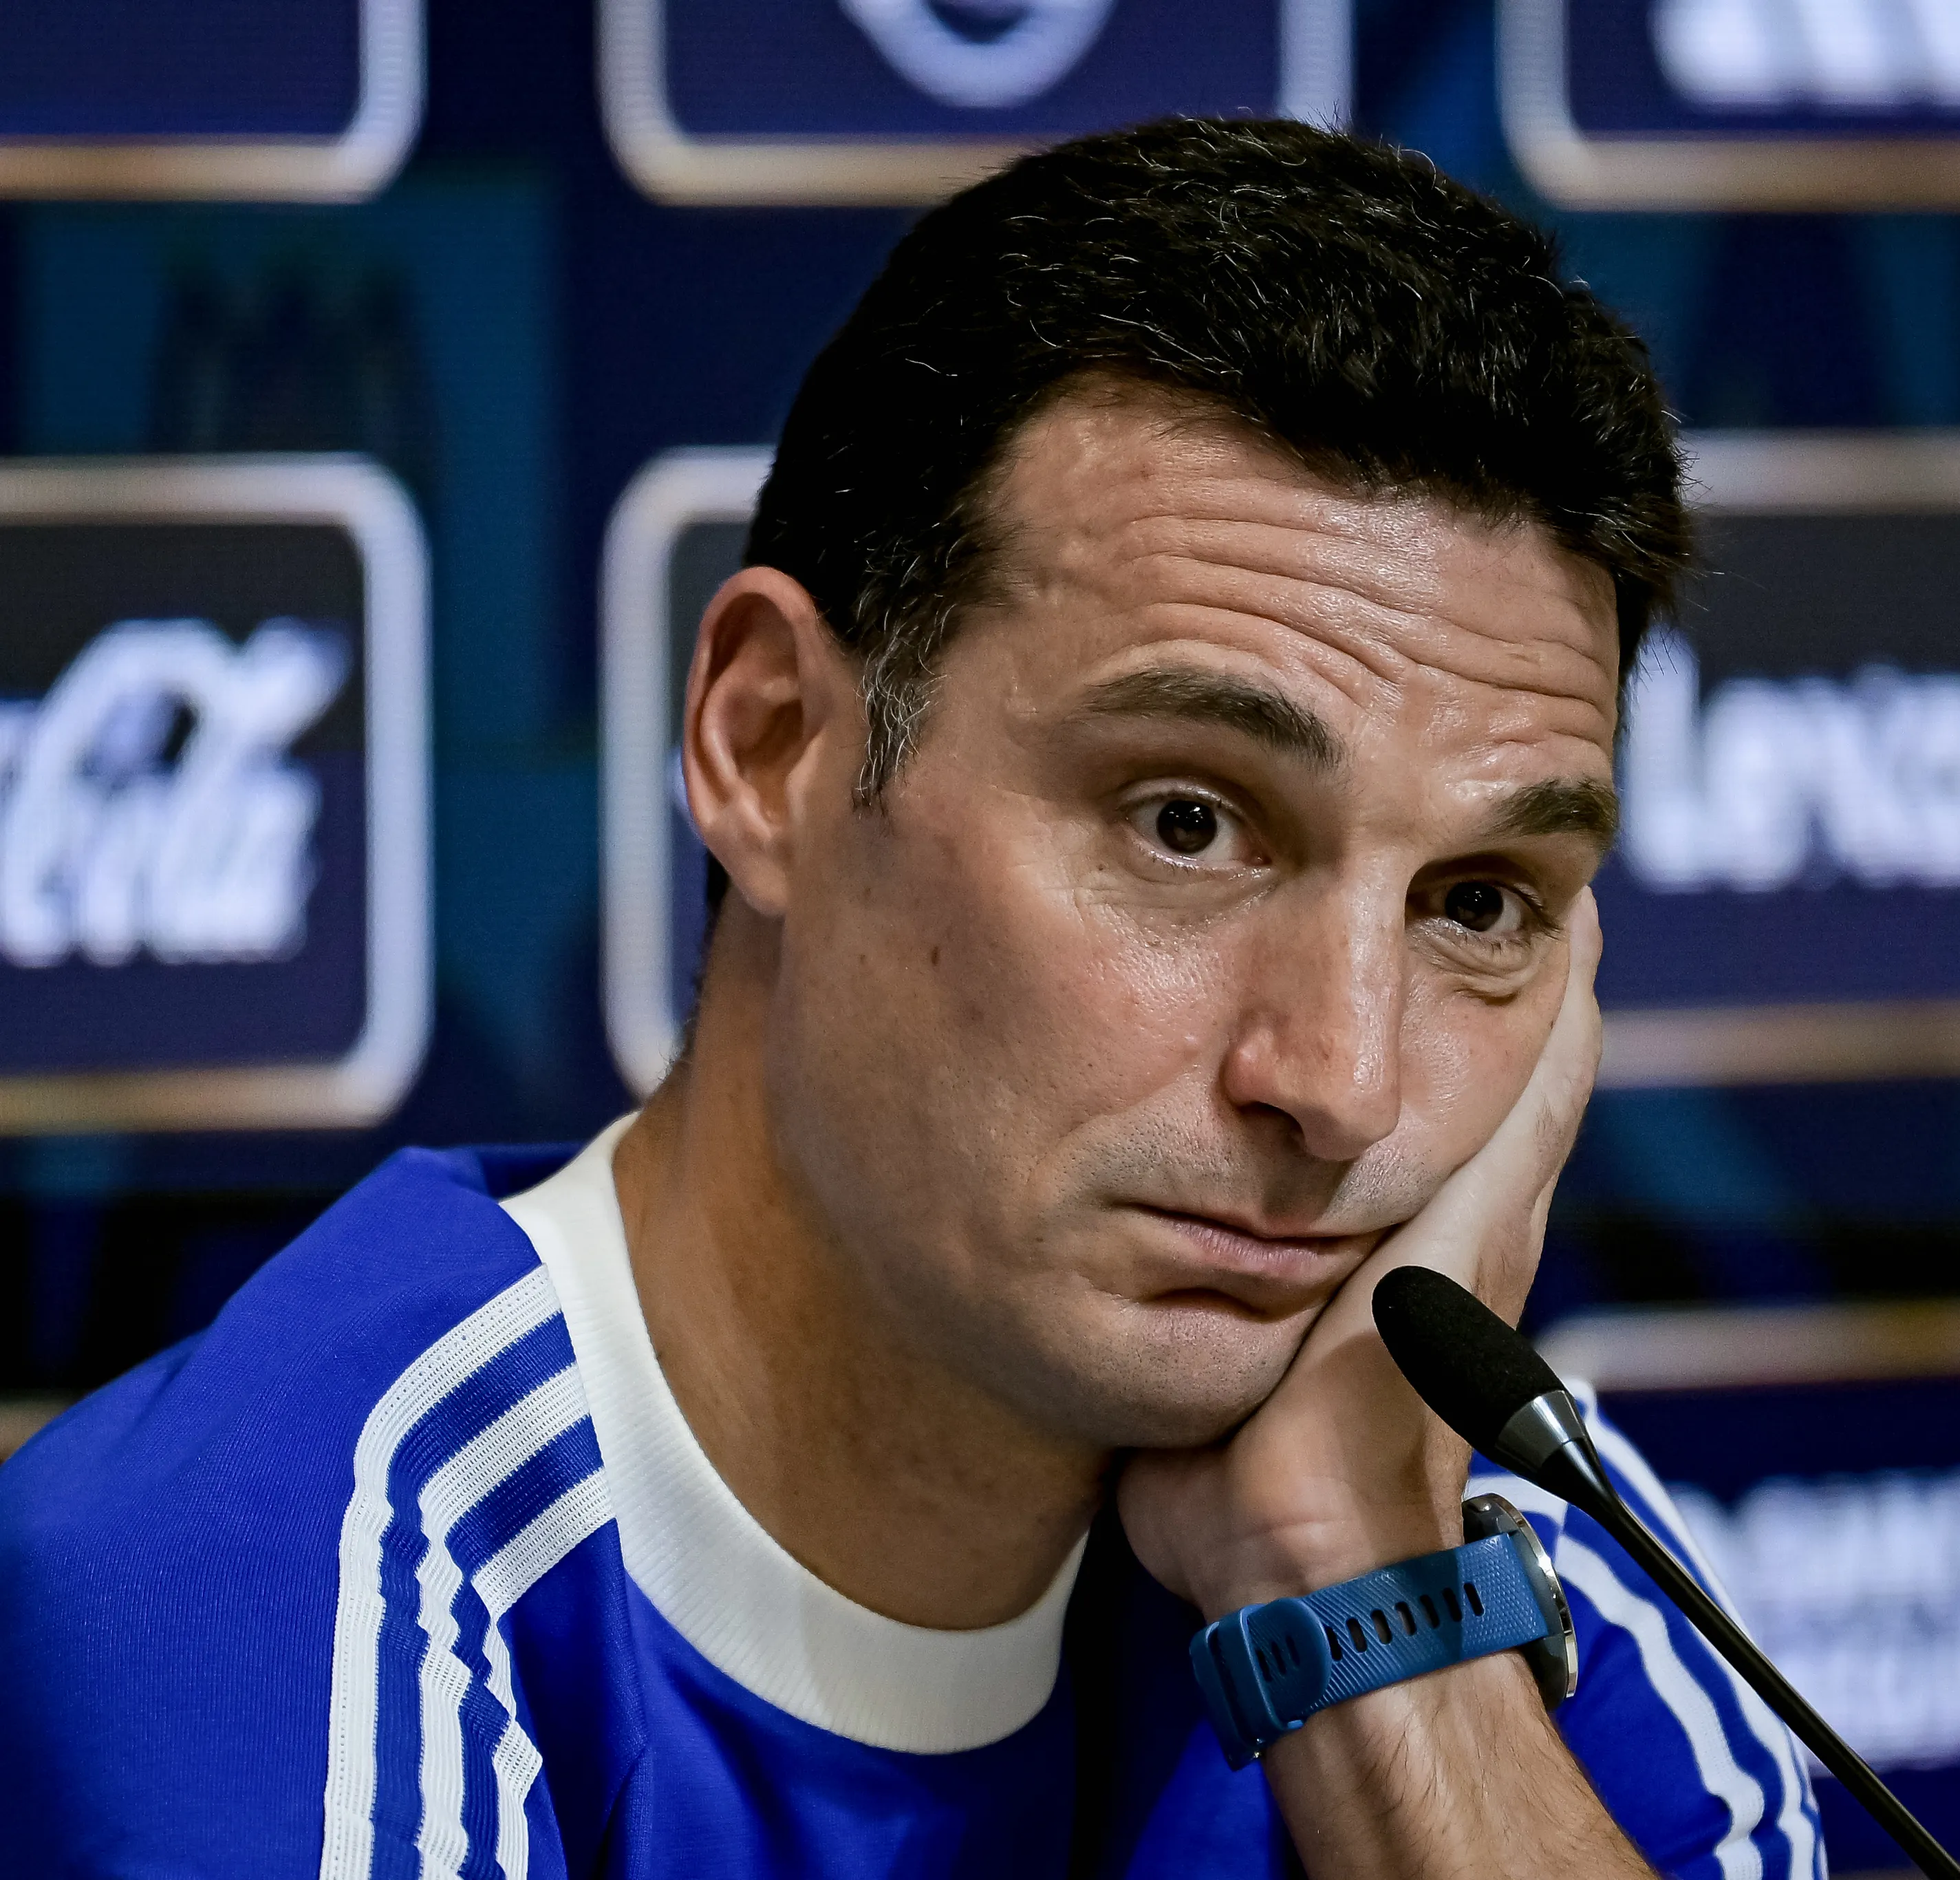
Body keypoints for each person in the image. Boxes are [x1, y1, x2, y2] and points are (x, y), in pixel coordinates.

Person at [0, 117, 1824, 1879]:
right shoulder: (249, 1593)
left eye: (1477, 902)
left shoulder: (1498, 1539)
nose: (1340, 1081)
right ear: (769, 744)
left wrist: (1352, 1589)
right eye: (1187, 820)